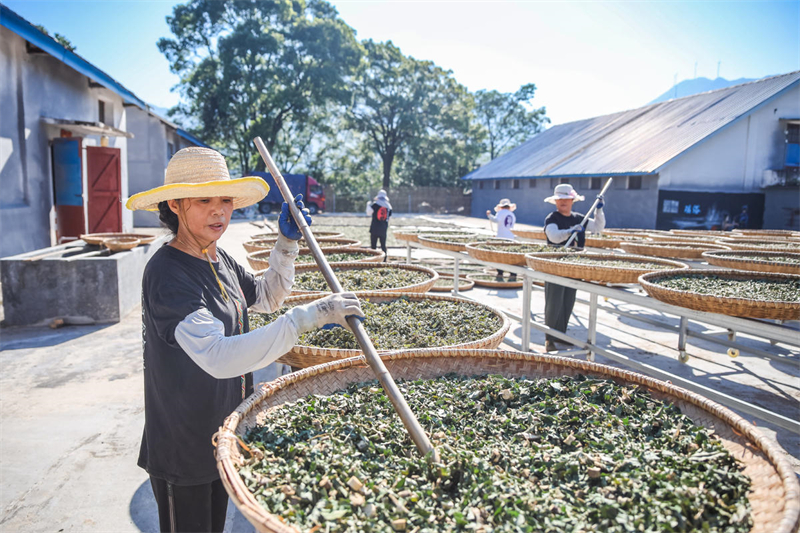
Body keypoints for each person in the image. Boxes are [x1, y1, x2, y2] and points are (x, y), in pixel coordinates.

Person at [125, 147, 364, 533]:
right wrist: (308, 318)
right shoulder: (167, 273)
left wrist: (286, 244)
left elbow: (268, 296)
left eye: (225, 200)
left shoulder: (219, 259)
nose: (219, 211)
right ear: (175, 203)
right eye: (204, 200)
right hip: (182, 444)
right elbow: (218, 356)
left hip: (222, 432)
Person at [542, 183, 606, 353]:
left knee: (568, 300)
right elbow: (554, 237)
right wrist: (569, 231)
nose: (563, 202)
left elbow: (598, 228)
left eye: (567, 199)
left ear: (572, 200)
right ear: (555, 202)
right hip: (555, 264)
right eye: (560, 199)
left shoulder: (580, 219)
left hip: (574, 265)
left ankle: (561, 336)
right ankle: (550, 338)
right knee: (554, 302)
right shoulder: (552, 218)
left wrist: (598, 211)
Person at [486, 198, 517, 281]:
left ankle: (500, 272)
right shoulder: (511, 214)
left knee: (499, 255)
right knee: (510, 255)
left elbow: (496, 220)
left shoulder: (501, 213)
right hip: (511, 237)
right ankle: (513, 273)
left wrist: (489, 215)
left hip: (502, 237)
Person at [367, 189, 392, 261]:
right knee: (383, 245)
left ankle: (373, 259)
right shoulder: (389, 207)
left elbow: (368, 212)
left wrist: (368, 205)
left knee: (373, 246)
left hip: (374, 228)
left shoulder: (375, 205)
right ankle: (384, 259)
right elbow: (389, 218)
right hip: (383, 229)